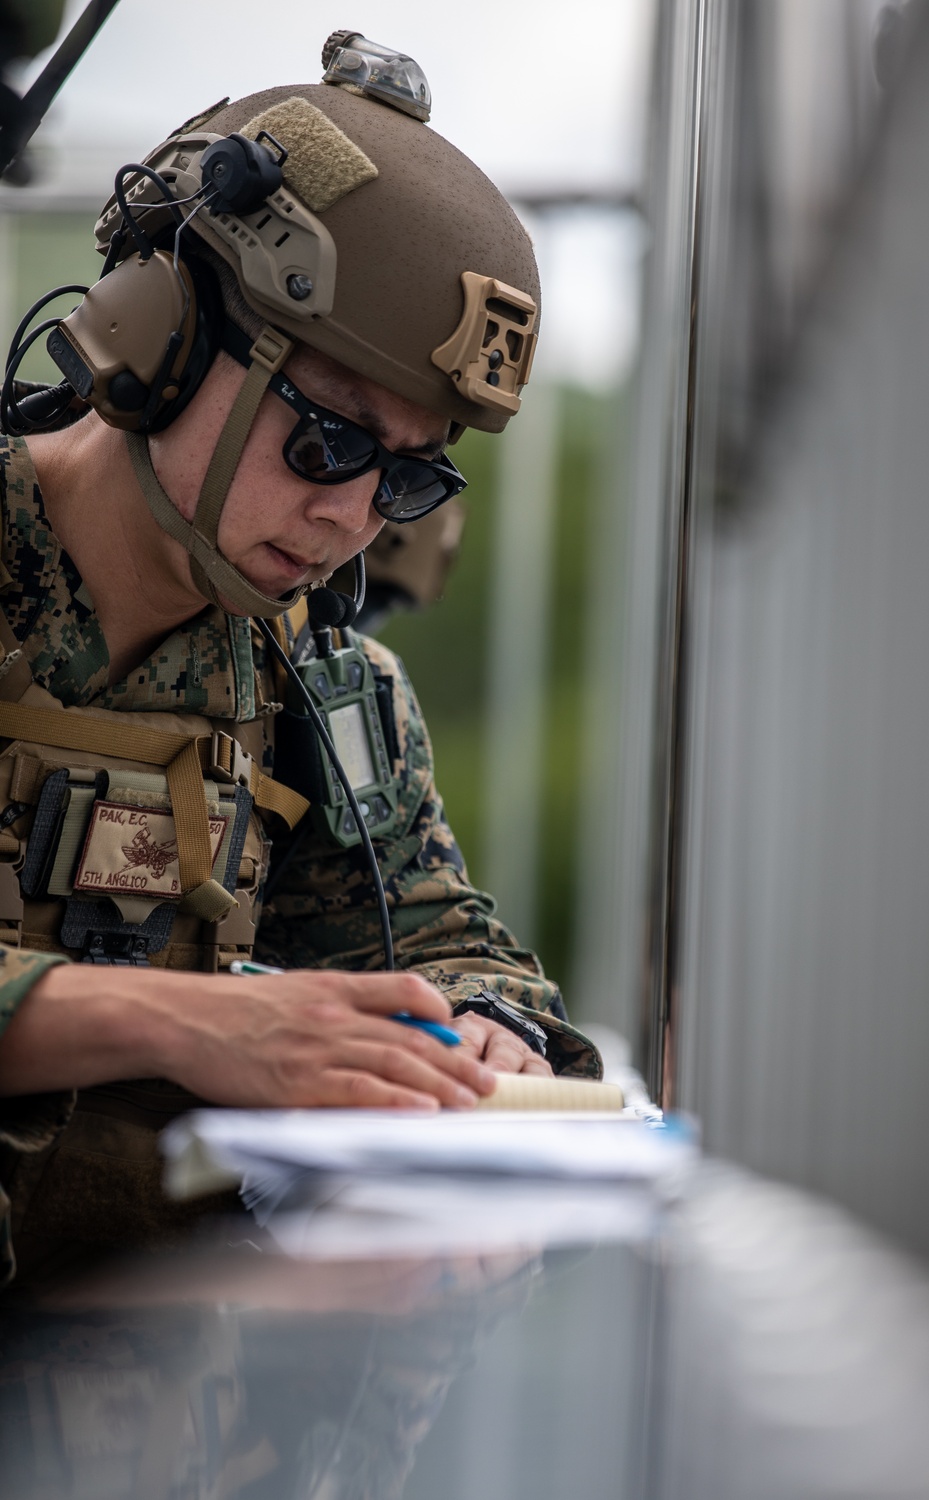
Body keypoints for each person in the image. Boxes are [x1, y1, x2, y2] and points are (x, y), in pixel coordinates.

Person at [0, 30, 600, 1286]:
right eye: (329, 439)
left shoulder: (321, 687)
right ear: (163, 335)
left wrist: (480, 1035)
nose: (354, 517)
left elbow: (441, 939)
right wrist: (191, 1022)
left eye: (412, 472)